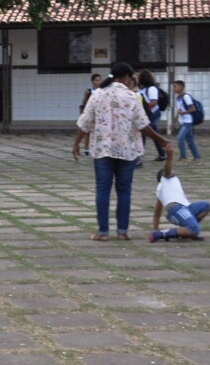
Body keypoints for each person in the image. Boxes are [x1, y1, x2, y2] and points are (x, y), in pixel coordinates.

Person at [73, 62, 171, 241]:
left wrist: (77, 143)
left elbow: (85, 123)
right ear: (126, 77)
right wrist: (161, 140)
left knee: (102, 190)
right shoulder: (132, 96)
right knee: (124, 191)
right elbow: (143, 125)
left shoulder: (97, 95)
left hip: (103, 149)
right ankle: (122, 231)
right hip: (128, 151)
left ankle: (103, 233)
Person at [149, 144, 210, 243]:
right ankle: (163, 234)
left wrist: (155, 227)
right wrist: (170, 156)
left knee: (206, 206)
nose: (173, 172)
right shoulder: (166, 179)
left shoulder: (162, 190)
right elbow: (168, 169)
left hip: (186, 207)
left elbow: (157, 213)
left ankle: (187, 230)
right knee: (195, 229)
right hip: (177, 209)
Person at [136, 68, 166, 161]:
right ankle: (162, 154)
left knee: (144, 132)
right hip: (147, 114)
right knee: (154, 134)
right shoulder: (142, 89)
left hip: (153, 114)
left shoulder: (151, 88)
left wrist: (143, 107)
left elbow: (154, 102)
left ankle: (139, 158)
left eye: (139, 77)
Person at [173, 80, 201, 164]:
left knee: (180, 138)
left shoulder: (186, 97)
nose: (174, 88)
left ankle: (183, 157)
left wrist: (183, 113)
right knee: (190, 140)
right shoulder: (178, 98)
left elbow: (192, 108)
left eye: (175, 86)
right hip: (182, 122)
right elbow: (178, 110)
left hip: (188, 121)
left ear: (181, 87)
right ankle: (197, 157)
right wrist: (174, 121)